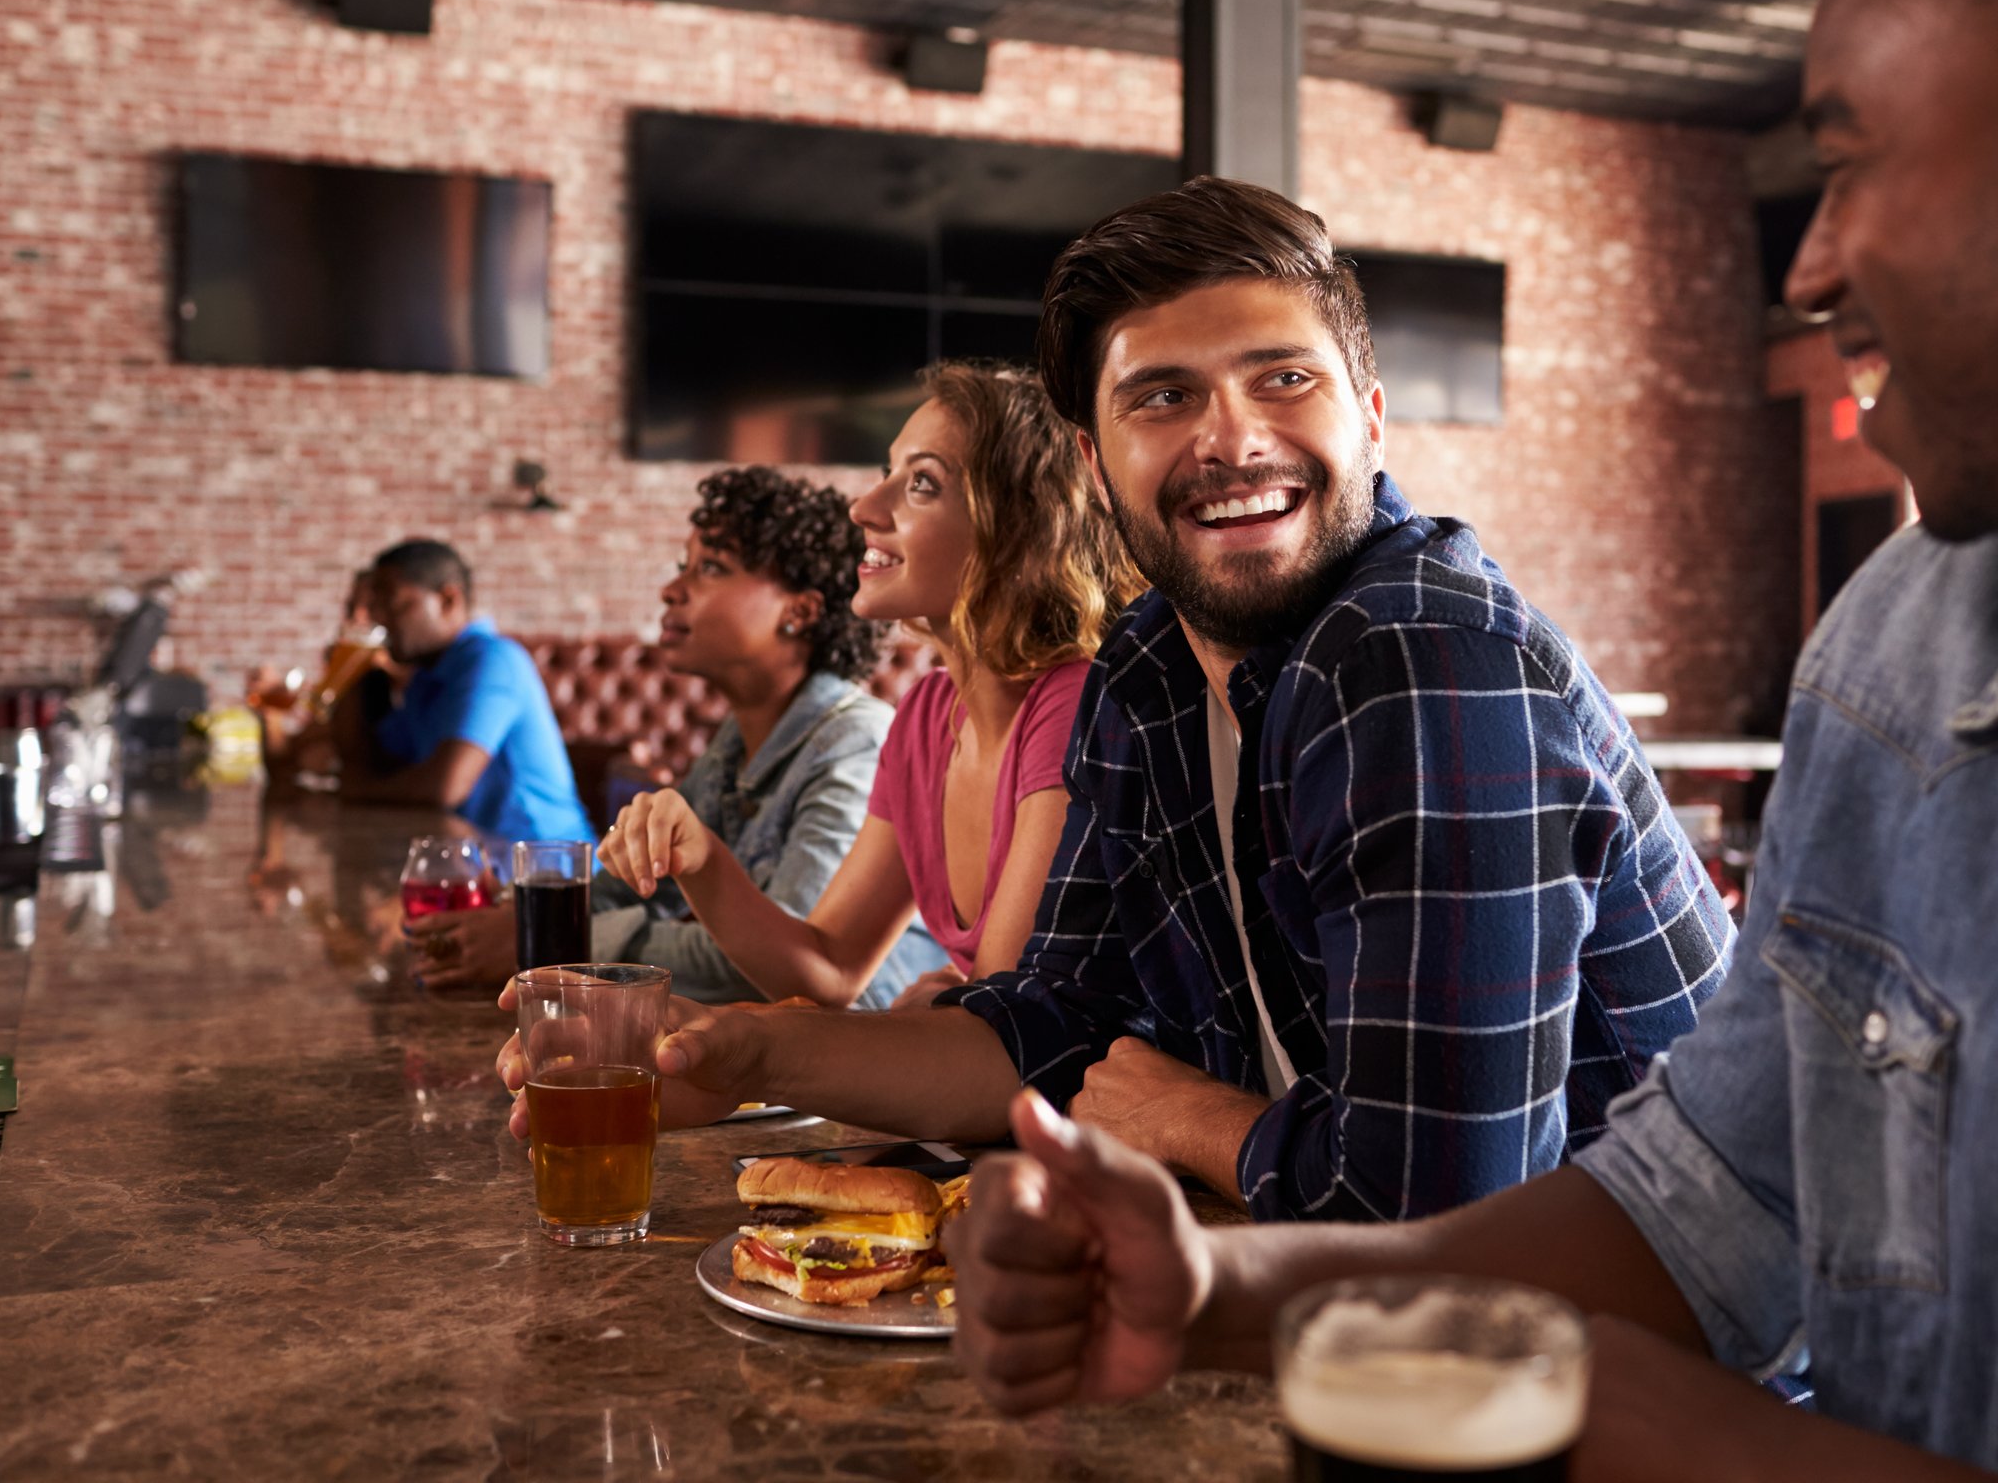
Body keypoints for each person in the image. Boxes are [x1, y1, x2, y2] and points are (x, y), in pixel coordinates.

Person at [944, 0, 1998, 1476]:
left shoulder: (1421, 650)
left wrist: (1651, 1429)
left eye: (1853, 160)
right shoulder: (1909, 643)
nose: (1811, 268)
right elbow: (1701, 1209)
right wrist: (1215, 1291)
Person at [515, 183, 1729, 1223]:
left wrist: (1199, 1121)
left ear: (1369, 412)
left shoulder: (1416, 657)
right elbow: (1055, 1029)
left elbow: (1446, 1205)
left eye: (1284, 377)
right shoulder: (1150, 671)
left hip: (1647, 1372)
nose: (1233, 439)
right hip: (1367, 1321)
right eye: (1163, 398)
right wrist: (748, 1053)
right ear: (1095, 465)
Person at [593, 361, 1141, 1008]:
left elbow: (1004, 1030)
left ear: (1022, 532)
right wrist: (704, 863)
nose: (864, 506)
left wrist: (942, 1009)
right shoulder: (928, 717)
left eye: (922, 485)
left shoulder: (1071, 706)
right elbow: (826, 970)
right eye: (888, 474)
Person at [409, 467, 947, 1008]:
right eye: (682, 567)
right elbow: (637, 884)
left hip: (854, 1058)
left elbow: (773, 972)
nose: (671, 590)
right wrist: (519, 921)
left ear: (799, 611)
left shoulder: (855, 743)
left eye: (710, 568)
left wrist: (552, 944)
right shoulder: (741, 736)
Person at [330, 539, 592, 844]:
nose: (378, 619)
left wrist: (356, 790)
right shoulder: (425, 678)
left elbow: (444, 787)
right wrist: (347, 672)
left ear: (447, 601)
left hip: (551, 869)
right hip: (480, 860)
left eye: (390, 602)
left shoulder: (493, 659)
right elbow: (369, 760)